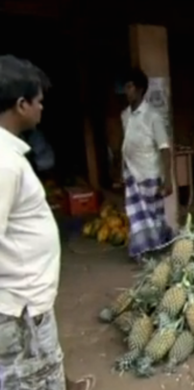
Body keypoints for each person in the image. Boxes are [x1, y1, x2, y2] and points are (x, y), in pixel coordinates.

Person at [0, 55, 96, 389]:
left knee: (45, 374)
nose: (43, 109)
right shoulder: (3, 163)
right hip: (18, 309)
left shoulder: (10, 154)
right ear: (21, 104)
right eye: (39, 102)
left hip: (28, 304)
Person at [121, 68, 173, 261]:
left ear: (140, 89)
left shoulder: (153, 116)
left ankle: (158, 247)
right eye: (125, 87)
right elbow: (125, 144)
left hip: (150, 173)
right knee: (136, 217)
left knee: (152, 216)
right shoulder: (125, 115)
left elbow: (165, 149)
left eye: (130, 87)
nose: (127, 91)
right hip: (132, 174)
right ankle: (143, 252)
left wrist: (168, 179)